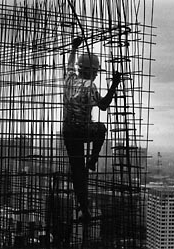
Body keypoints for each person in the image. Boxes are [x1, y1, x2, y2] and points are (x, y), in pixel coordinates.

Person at [63, 37, 120, 222]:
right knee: (102, 129)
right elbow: (103, 105)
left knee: (77, 172)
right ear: (94, 72)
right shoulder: (90, 85)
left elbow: (69, 65)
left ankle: (84, 209)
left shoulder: (69, 79)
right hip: (83, 131)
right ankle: (94, 159)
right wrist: (114, 84)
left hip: (68, 132)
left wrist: (73, 48)